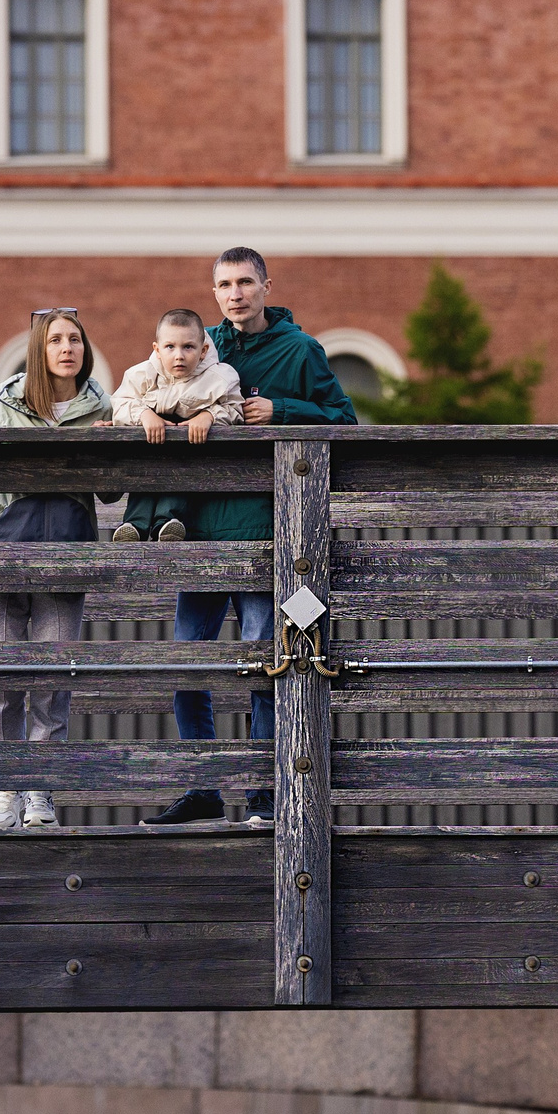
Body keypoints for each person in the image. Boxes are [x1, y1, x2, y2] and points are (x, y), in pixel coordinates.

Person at [143, 247, 360, 827]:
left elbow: (345, 419)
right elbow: (146, 394)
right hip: (199, 533)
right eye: (224, 284)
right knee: (188, 668)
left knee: (267, 667)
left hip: (269, 533)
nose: (235, 293)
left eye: (245, 282)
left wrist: (284, 409)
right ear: (213, 292)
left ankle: (264, 798)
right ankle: (204, 788)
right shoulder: (198, 344)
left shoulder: (300, 349)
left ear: (267, 286)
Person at [0, 308, 114, 832]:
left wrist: (109, 443)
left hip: (67, 553)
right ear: (39, 349)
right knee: (4, 682)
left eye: (75, 339)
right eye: (55, 340)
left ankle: (40, 792)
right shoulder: (6, 403)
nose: (67, 347)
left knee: (52, 682)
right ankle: (6, 788)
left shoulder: (101, 405)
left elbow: (111, 489)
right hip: (5, 549)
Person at [111, 309, 246, 541]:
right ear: (157, 349)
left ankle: (168, 522)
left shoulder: (219, 377)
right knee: (145, 473)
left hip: (189, 451)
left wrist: (210, 416)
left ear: (203, 350)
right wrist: (143, 413)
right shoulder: (141, 374)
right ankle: (134, 524)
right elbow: (120, 403)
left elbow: (235, 408)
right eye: (170, 347)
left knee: (180, 467)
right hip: (149, 449)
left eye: (188, 347)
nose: (179, 355)